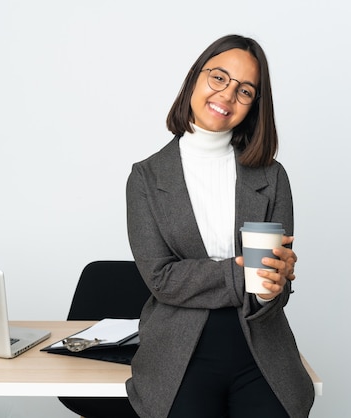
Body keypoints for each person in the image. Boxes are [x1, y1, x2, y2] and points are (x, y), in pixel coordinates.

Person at [125, 34, 314, 418]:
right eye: (219, 78)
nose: (227, 95)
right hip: (179, 346)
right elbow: (162, 278)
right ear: (196, 78)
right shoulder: (145, 178)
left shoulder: (272, 177)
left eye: (245, 91)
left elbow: (274, 288)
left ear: (254, 106)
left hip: (260, 341)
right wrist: (240, 272)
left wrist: (272, 285)